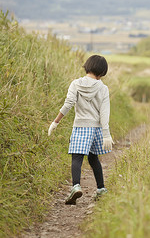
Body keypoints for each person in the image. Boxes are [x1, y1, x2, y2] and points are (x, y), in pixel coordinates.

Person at [48, 55, 114, 205]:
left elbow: (68, 104)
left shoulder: (76, 84)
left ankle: (76, 186)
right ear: (102, 71)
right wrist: (106, 134)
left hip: (80, 126)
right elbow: (104, 113)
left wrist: (55, 122)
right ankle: (101, 189)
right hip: (96, 129)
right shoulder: (103, 88)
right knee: (93, 158)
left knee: (77, 158)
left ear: (87, 66)